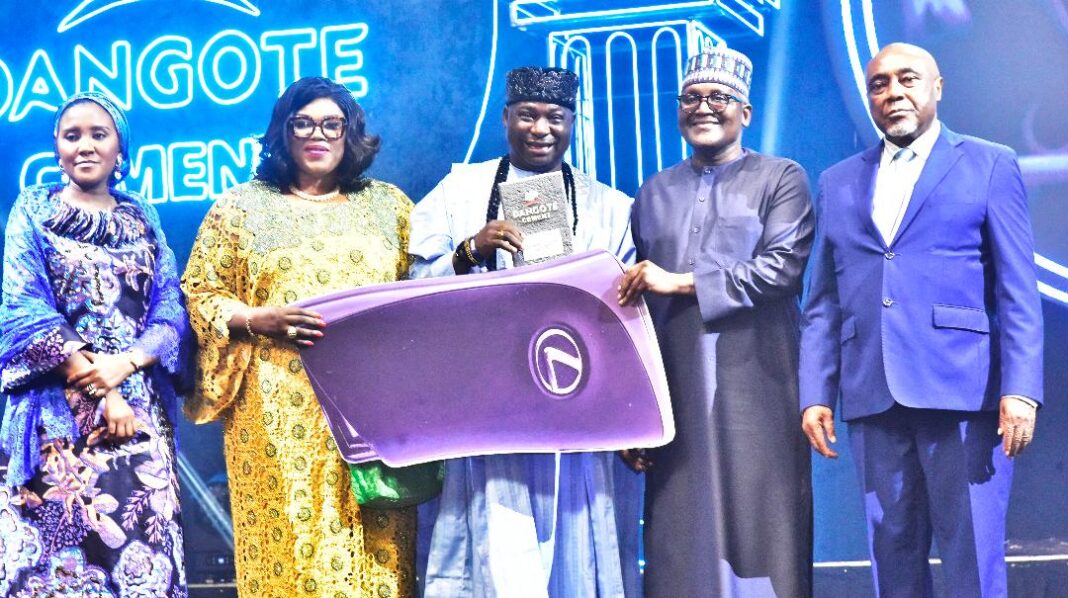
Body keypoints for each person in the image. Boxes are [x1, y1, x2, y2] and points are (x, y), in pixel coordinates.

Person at [800, 43, 1044, 597]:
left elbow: (1017, 291)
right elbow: (823, 301)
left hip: (964, 392)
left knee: (972, 561)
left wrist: (1022, 390)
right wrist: (816, 392)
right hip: (873, 394)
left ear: (938, 87)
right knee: (892, 560)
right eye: (879, 85)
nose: (893, 94)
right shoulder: (839, 181)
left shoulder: (988, 162)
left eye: (907, 79)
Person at [409, 66, 640, 596]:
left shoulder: (610, 204)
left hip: (574, 405)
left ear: (573, 123)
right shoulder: (458, 189)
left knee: (576, 545)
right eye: (528, 115)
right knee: (495, 541)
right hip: (486, 404)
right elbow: (415, 283)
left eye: (555, 118)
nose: (541, 129)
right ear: (505, 118)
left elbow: (626, 314)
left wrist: (624, 416)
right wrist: (472, 250)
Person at [181, 76, 416, 597]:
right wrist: (253, 318)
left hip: (373, 409)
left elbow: (421, 293)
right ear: (282, 133)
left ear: (350, 132)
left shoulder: (391, 207)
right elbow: (200, 291)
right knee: (288, 549)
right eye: (302, 123)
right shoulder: (239, 208)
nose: (318, 134)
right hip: (275, 413)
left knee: (378, 550)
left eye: (332, 124)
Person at [617, 47, 815, 597]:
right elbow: (636, 310)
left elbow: (782, 270)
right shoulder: (653, 192)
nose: (704, 107)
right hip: (675, 396)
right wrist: (635, 414)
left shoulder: (783, 178)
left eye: (719, 97)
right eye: (691, 97)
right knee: (680, 542)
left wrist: (682, 281)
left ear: (745, 112)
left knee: (765, 533)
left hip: (759, 389)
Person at [0, 91, 189, 596]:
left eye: (98, 134)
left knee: (143, 559)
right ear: (57, 148)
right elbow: (23, 308)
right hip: (57, 415)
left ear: (120, 149)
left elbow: (170, 313)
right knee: (57, 566)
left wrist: (124, 366)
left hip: (137, 414)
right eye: (72, 135)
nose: (84, 145)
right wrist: (103, 388)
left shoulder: (143, 217)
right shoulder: (33, 210)